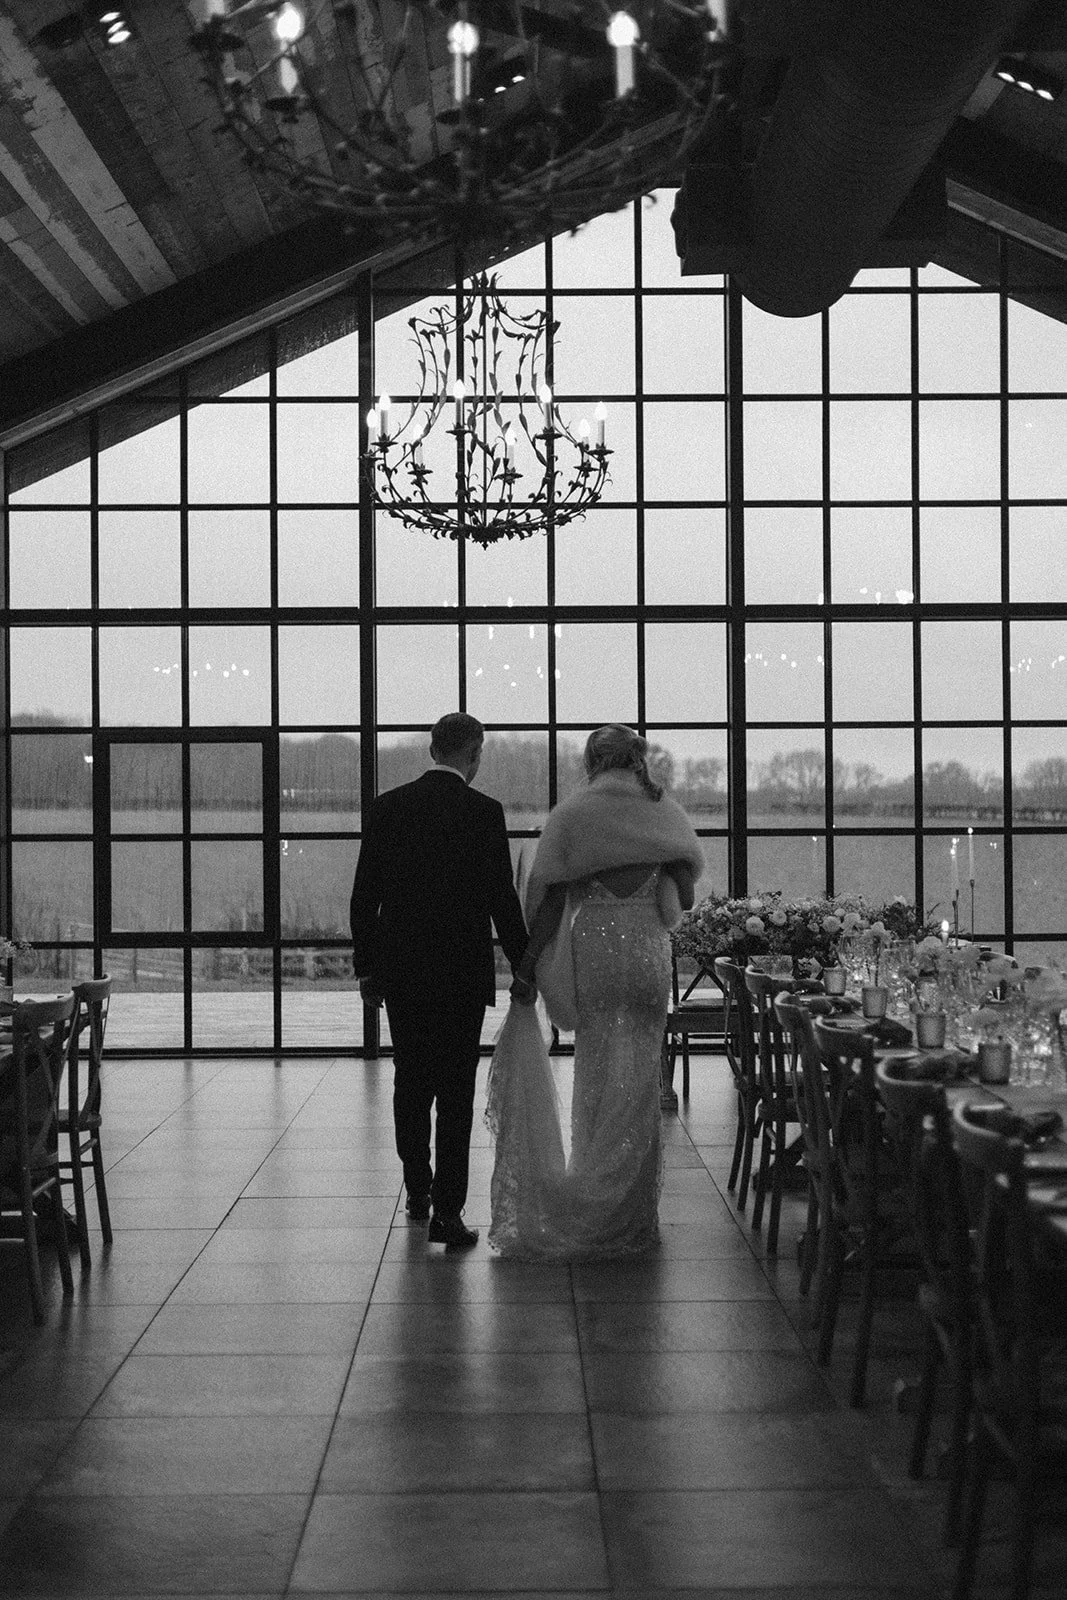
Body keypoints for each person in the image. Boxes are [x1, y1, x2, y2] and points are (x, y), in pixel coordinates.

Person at [486, 724, 704, 1259]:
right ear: (637, 761)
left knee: (599, 1066)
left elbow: (550, 904)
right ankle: (632, 1218)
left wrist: (528, 970)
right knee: (642, 1074)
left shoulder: (574, 817)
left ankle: (589, 1200)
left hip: (598, 955)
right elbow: (688, 902)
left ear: (592, 760)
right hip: (649, 956)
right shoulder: (665, 815)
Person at [350, 712, 531, 1249]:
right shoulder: (484, 813)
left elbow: (365, 899)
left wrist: (367, 968)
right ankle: (448, 1214)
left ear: (433, 750)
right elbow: (503, 899)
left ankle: (417, 1186)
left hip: (403, 971)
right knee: (456, 1091)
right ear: (473, 752)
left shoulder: (387, 809)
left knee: (411, 1081)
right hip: (460, 973)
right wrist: (523, 966)